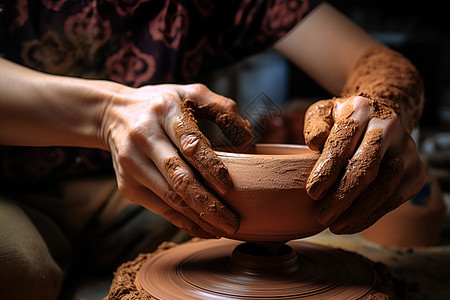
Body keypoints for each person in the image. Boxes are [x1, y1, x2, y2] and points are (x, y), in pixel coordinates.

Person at [0, 1, 425, 299]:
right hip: (13, 188)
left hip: (159, 191)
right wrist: (105, 113)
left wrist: (378, 108)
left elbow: (372, 59)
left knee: (320, 252)